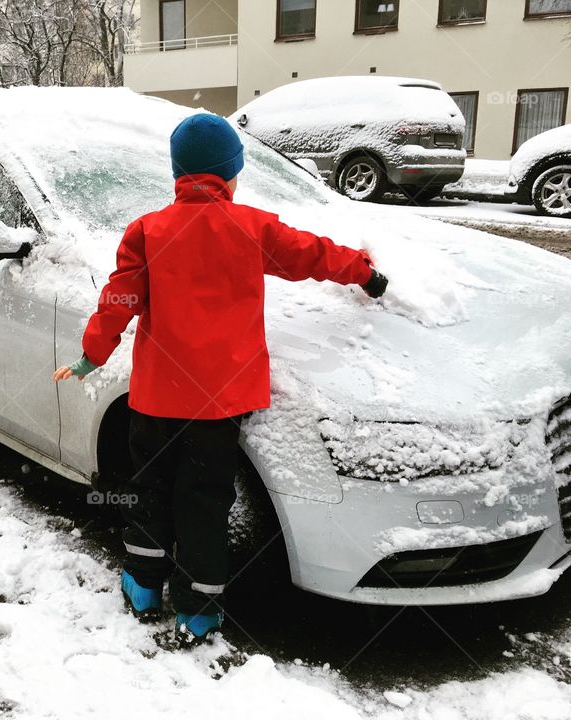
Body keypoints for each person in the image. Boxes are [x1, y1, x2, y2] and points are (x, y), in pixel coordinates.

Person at [53, 113, 388, 645]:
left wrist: (93, 355)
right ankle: (200, 611)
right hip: (220, 405)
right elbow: (312, 254)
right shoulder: (254, 228)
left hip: (157, 401)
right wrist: (365, 272)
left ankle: (142, 587)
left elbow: (118, 299)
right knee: (205, 502)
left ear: (177, 175)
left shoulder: (146, 231)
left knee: (150, 493)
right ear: (230, 175)